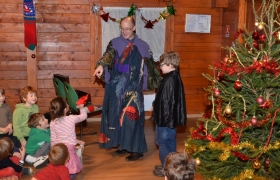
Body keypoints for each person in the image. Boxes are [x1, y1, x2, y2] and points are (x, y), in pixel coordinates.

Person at [93, 16, 162, 161]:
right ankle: (124, 146)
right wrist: (101, 65)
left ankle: (136, 150)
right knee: (117, 117)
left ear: (134, 28)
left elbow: (150, 68)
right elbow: (108, 56)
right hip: (117, 86)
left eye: (127, 29)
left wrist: (154, 83)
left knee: (132, 118)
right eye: (122, 28)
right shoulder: (115, 43)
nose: (124, 31)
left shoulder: (143, 45)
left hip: (133, 87)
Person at [151, 51, 187, 177]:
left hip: (165, 119)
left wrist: (156, 109)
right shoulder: (175, 77)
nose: (160, 67)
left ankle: (165, 168)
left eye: (162, 65)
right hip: (170, 119)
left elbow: (166, 103)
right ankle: (172, 167)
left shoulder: (169, 80)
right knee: (171, 141)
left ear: (170, 65)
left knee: (163, 142)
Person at [49, 97, 90, 180]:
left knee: (61, 162)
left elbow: (53, 138)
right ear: (65, 109)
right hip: (70, 147)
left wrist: (53, 149)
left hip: (59, 148)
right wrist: (81, 108)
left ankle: (60, 174)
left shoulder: (52, 122)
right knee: (71, 165)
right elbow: (83, 116)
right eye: (67, 104)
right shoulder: (71, 118)